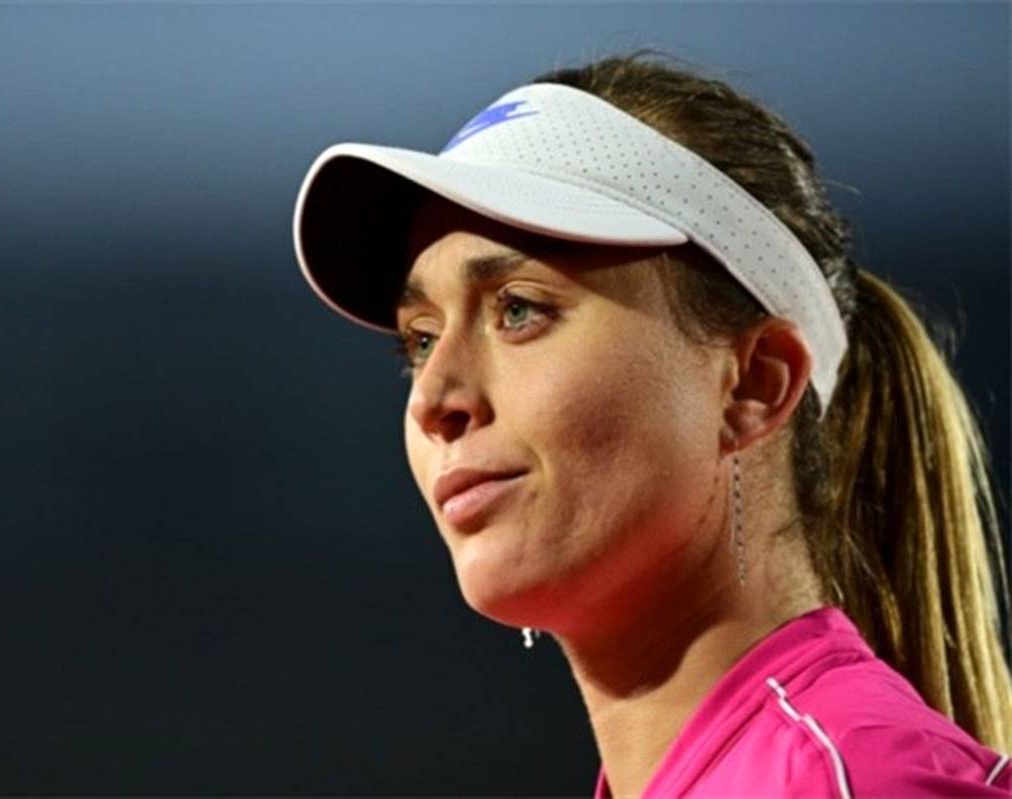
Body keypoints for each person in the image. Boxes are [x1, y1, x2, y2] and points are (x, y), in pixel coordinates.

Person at [291, 50, 1012, 797]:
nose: (433, 398)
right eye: (420, 340)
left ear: (754, 385)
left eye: (519, 309)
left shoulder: (853, 781)